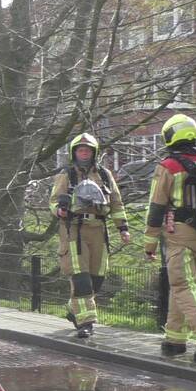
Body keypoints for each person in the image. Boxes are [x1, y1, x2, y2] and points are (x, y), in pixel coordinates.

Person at [143, 114, 196, 363]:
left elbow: (156, 208)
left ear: (170, 136)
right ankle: (174, 340)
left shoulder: (167, 166)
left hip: (180, 234)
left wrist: (149, 243)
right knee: (187, 286)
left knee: (183, 286)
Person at [49, 133, 130, 338]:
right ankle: (86, 323)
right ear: (74, 152)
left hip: (98, 229)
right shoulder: (66, 174)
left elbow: (116, 203)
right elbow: (53, 201)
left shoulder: (104, 174)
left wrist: (123, 228)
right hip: (74, 230)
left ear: (94, 153)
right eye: (80, 150)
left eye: (87, 150)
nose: (84, 153)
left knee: (97, 277)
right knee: (81, 277)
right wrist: (59, 210)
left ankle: (73, 307)